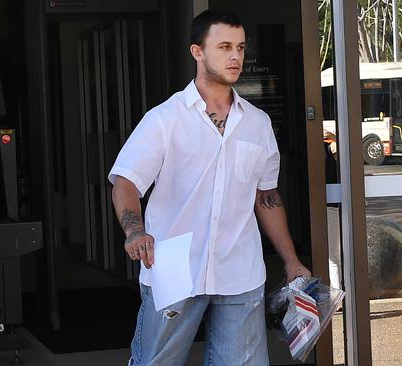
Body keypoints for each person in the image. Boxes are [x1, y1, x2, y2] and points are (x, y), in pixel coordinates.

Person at [108, 9, 311, 366]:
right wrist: (134, 231)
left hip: (240, 269)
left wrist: (291, 260)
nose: (236, 57)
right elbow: (125, 182)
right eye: (225, 47)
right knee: (157, 362)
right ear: (197, 52)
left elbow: (266, 197)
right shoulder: (165, 119)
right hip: (173, 267)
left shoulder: (258, 124)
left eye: (241, 48)